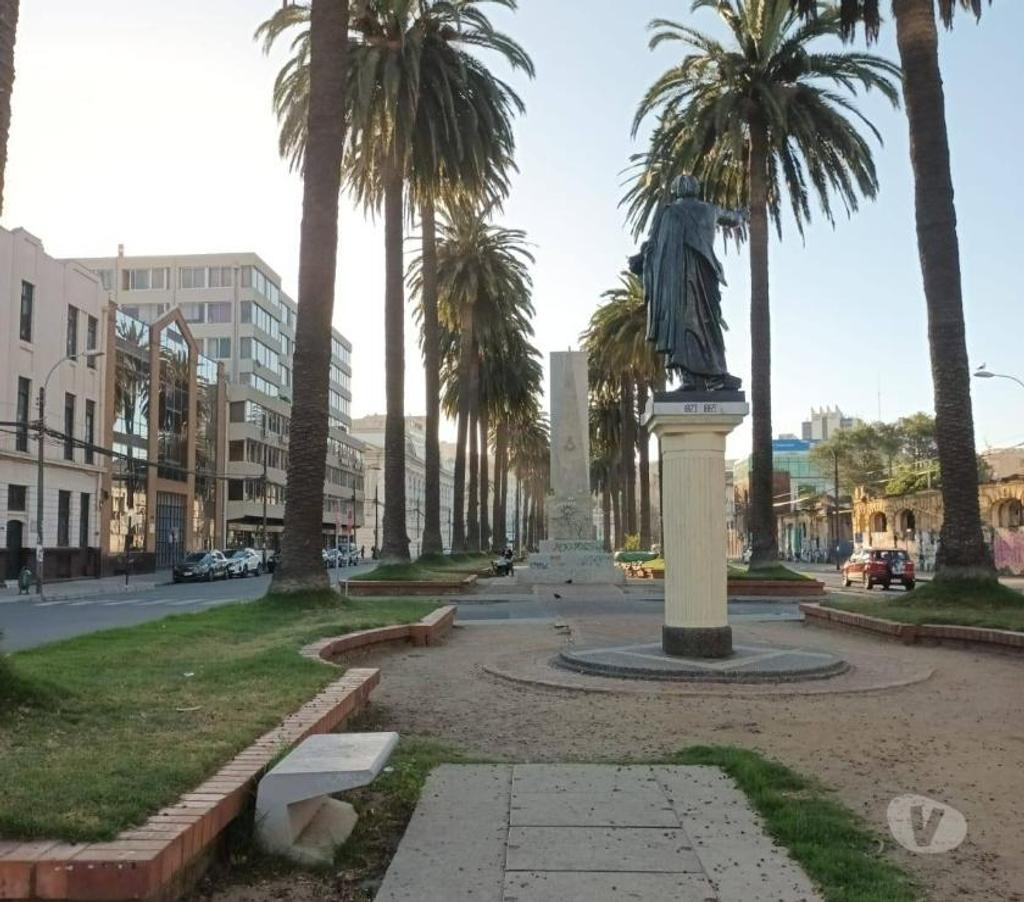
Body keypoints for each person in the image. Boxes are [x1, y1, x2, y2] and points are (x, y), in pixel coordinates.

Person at [629, 175, 745, 391]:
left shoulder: (670, 213)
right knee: (709, 323)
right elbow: (733, 218)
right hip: (704, 275)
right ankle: (713, 375)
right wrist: (743, 213)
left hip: (679, 282)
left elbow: (654, 247)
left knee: (684, 327)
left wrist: (642, 260)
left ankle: (695, 378)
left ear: (676, 191)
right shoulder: (709, 209)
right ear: (696, 188)